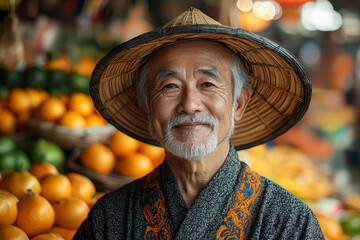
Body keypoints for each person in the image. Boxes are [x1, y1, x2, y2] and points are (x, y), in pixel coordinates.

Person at [74, 7, 324, 239]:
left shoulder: (290, 223)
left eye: (208, 84)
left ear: (238, 104)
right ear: (146, 107)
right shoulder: (109, 219)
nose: (190, 104)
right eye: (169, 86)